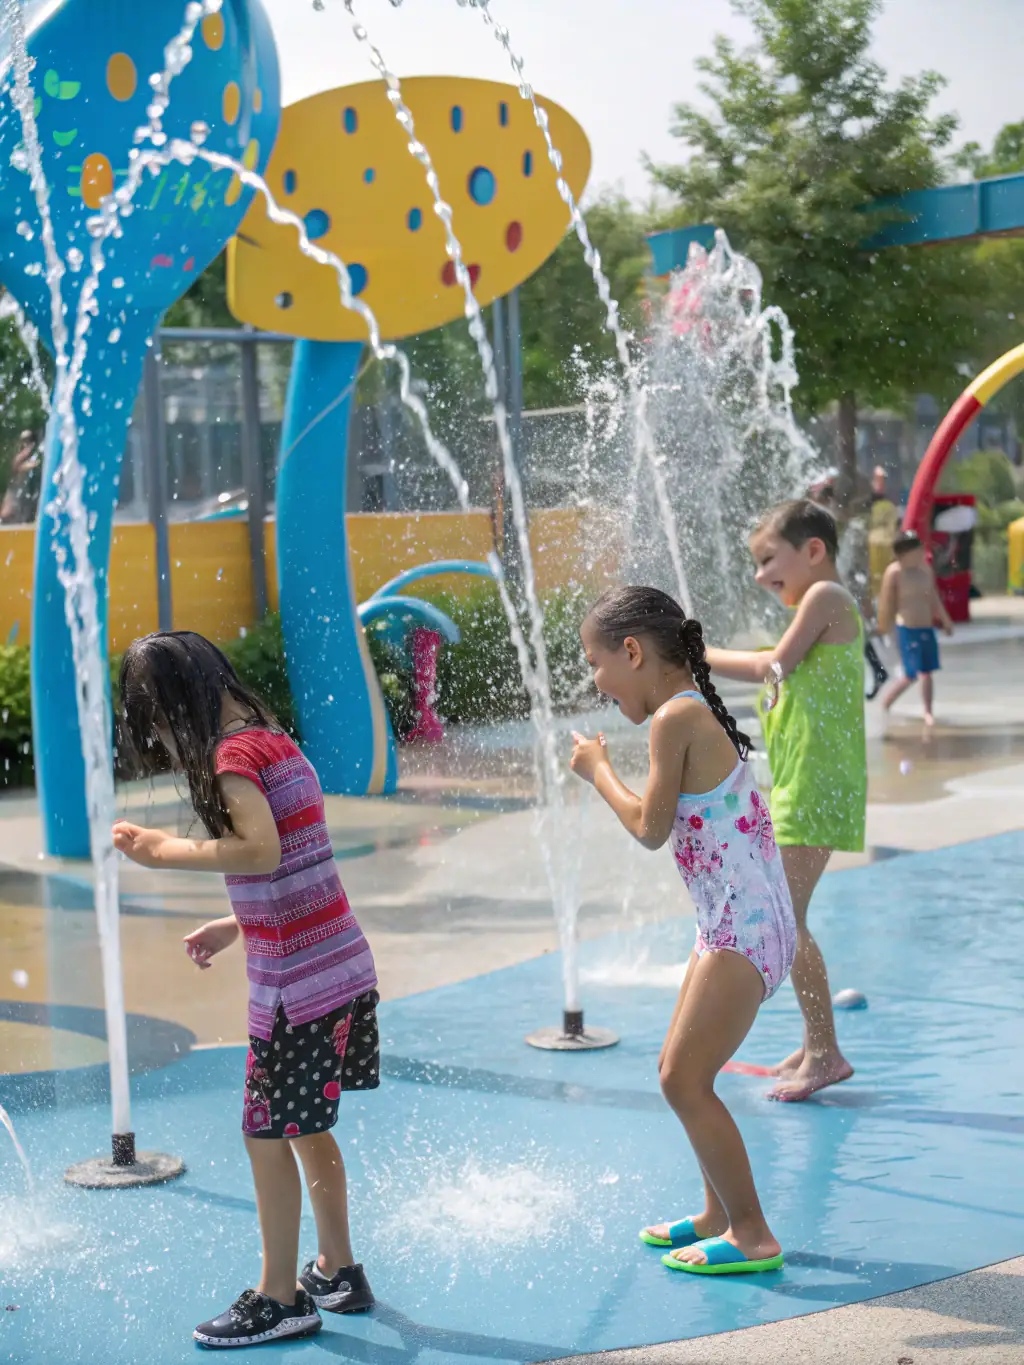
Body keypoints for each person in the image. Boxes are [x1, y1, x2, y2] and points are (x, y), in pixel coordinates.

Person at [113, 631, 379, 1349]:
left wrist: (166, 853)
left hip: (296, 989)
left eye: (161, 728)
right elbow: (297, 861)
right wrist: (237, 923)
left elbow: (259, 849)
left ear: (177, 708)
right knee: (309, 1126)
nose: (166, 745)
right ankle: (339, 1267)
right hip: (338, 967)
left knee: (264, 1132)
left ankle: (280, 1294)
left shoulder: (231, 760)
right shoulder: (274, 743)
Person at [571, 586, 794, 1276]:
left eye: (597, 662)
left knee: (681, 1079)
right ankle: (717, 1212)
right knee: (683, 1070)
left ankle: (752, 1232)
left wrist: (598, 769)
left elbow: (649, 827)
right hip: (731, 922)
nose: (596, 680)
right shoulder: (684, 710)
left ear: (633, 651)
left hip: (743, 929)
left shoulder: (675, 717)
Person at [704, 499, 864, 1102]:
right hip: (805, 781)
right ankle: (814, 1039)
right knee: (785, 919)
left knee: (787, 924)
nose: (759, 574)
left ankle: (826, 1051)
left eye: (769, 558)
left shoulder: (826, 596)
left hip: (819, 785)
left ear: (814, 551)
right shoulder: (815, 604)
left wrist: (697, 655)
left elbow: (773, 667)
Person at [878, 530, 953, 726]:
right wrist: (883, 628)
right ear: (902, 554)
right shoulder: (894, 572)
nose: (921, 552)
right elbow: (886, 602)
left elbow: (934, 597)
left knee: (925, 671)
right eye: (916, 550)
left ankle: (926, 711)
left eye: (920, 548)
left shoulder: (925, 569)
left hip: (926, 628)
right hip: (906, 629)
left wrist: (945, 621)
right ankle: (886, 704)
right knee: (913, 674)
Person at [0, 429, 40, 525]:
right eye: (23, 440)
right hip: (15, 494)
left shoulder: (36, 456)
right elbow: (17, 467)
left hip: (26, 497)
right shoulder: (19, 457)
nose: (24, 443)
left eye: (28, 440)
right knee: (7, 515)